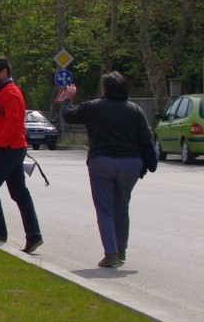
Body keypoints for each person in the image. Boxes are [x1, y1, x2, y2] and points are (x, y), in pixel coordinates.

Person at [62, 73, 155, 268]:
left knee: (104, 209)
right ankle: (121, 250)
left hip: (102, 162)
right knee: (122, 206)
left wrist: (68, 99)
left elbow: (69, 116)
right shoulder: (135, 110)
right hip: (130, 164)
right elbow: (146, 139)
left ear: (105, 89)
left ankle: (110, 253)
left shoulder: (93, 107)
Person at [0, 56, 43, 254]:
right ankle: (34, 236)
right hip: (13, 148)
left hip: (11, 148)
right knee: (19, 192)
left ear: (4, 72)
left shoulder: (10, 93)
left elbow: (14, 124)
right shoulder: (3, 92)